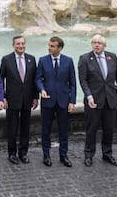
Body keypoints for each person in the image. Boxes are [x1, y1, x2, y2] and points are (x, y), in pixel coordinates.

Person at [78, 34, 117, 167]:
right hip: (93, 100)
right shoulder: (85, 58)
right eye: (94, 42)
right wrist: (88, 96)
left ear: (104, 45)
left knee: (109, 129)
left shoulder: (112, 57)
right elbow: (83, 80)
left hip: (110, 98)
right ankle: (88, 155)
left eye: (99, 43)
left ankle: (107, 154)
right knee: (91, 129)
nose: (96, 45)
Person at [35, 36, 76, 168]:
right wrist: (41, 90)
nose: (49, 48)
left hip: (63, 101)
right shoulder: (42, 60)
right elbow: (38, 79)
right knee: (45, 130)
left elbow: (73, 83)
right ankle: (46, 155)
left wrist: (72, 101)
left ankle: (63, 155)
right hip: (47, 101)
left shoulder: (68, 61)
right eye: (49, 45)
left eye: (52, 46)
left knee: (64, 130)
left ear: (59, 48)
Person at [0, 35, 38, 164]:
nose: (20, 46)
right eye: (18, 44)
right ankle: (12, 153)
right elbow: (0, 80)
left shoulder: (31, 59)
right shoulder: (6, 60)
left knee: (25, 128)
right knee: (12, 128)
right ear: (13, 45)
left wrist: (35, 97)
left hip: (27, 99)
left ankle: (23, 153)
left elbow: (35, 80)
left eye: (22, 44)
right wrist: (3, 97)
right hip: (11, 100)